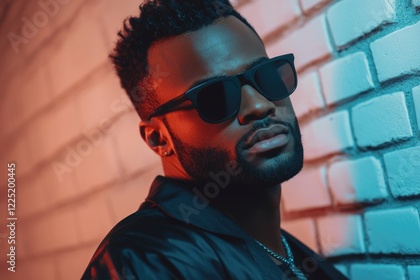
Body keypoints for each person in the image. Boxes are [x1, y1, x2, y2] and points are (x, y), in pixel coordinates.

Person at [82, 0, 347, 279]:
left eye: (266, 76)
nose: (258, 105)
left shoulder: (296, 256)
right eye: (216, 96)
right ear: (159, 139)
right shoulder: (146, 259)